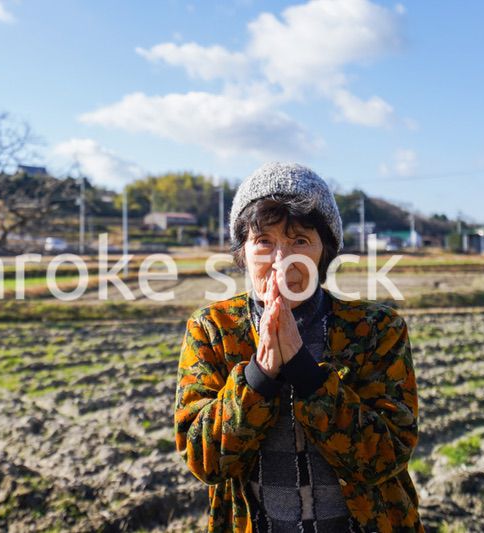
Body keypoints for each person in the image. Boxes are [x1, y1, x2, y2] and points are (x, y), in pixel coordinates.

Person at [174, 162, 422, 532]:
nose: (281, 259)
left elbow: (388, 454)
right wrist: (260, 375)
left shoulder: (376, 329)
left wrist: (307, 373)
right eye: (264, 241)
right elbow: (204, 460)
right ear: (242, 251)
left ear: (325, 252)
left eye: (300, 241)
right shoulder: (213, 330)